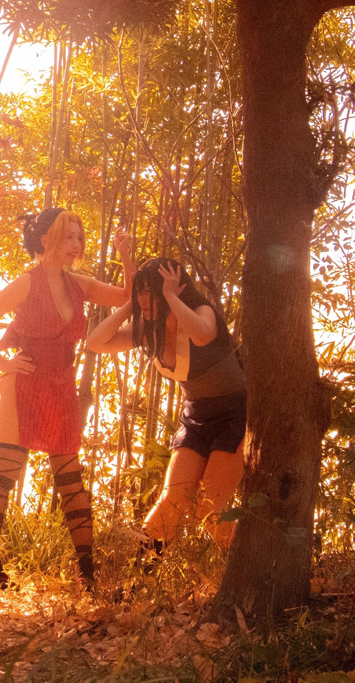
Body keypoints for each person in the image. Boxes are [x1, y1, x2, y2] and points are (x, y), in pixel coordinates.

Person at [0, 207, 128, 590]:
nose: (76, 245)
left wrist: (126, 256)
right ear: (45, 240)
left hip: (61, 386)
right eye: (68, 236)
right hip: (24, 384)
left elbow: (128, 295)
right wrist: (5, 362)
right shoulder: (26, 282)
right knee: (4, 472)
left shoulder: (80, 284)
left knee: (71, 479)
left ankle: (87, 574)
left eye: (79, 237)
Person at [85, 236, 247, 568]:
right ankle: (139, 577)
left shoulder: (200, 311)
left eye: (149, 290)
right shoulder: (147, 329)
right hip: (197, 416)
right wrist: (130, 304)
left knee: (213, 505)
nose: (145, 298)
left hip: (236, 412)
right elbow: (96, 342)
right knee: (173, 499)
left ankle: (232, 575)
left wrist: (171, 297)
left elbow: (202, 334)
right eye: (140, 290)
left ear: (173, 288)